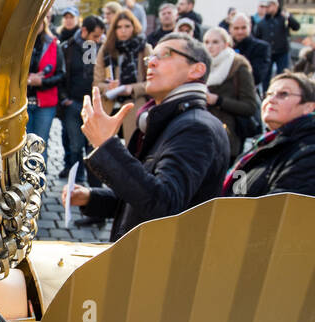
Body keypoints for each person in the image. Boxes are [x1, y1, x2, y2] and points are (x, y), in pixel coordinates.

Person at [64, 32, 231, 241]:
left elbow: (162, 206)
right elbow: (141, 194)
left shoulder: (196, 128)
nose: (151, 63)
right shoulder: (168, 119)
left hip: (162, 265)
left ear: (196, 69)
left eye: (165, 55)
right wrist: (92, 198)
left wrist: (106, 145)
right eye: (150, 57)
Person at [223, 72, 315, 199]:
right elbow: (237, 193)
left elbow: (285, 209)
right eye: (268, 94)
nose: (271, 100)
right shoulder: (265, 143)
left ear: (308, 107)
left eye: (283, 94)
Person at [57, 14, 106, 179]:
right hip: (73, 103)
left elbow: (92, 75)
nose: (98, 39)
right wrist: (64, 99)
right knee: (75, 146)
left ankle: (94, 184)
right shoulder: (68, 47)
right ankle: (77, 181)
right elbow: (61, 75)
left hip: (91, 105)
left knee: (92, 146)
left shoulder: (93, 47)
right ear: (84, 30)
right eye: (95, 36)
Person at [94, 8, 151, 143]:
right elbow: (97, 82)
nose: (123, 30)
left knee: (133, 149)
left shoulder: (144, 48)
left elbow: (153, 81)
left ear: (134, 27)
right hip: (109, 106)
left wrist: (132, 88)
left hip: (134, 105)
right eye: (119, 27)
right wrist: (109, 87)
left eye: (127, 26)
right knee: (105, 151)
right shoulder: (106, 49)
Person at [202, 26, 259, 151]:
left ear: (226, 44)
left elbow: (249, 106)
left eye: (215, 42)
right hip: (202, 133)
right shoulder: (200, 66)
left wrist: (218, 100)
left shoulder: (239, 67)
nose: (210, 46)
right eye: (206, 42)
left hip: (228, 138)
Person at [27, 16, 65, 144]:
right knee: (24, 147)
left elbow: (61, 75)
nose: (36, 26)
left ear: (43, 23)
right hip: (23, 102)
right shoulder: (20, 45)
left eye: (38, 23)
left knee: (40, 145)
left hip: (45, 103)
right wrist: (28, 80)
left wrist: (41, 82)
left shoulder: (53, 45)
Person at [253, 0, 300, 76]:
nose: (267, 8)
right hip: (268, 52)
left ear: (275, 6)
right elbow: (257, 37)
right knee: (266, 75)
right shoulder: (262, 22)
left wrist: (288, 17)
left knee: (282, 73)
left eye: (269, 6)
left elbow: (296, 27)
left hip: (282, 51)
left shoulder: (284, 18)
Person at [228, 12, 271, 94]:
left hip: (247, 93)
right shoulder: (224, 47)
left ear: (250, 27)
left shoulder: (261, 47)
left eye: (243, 28)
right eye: (236, 28)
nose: (240, 32)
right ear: (230, 29)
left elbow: (257, 76)